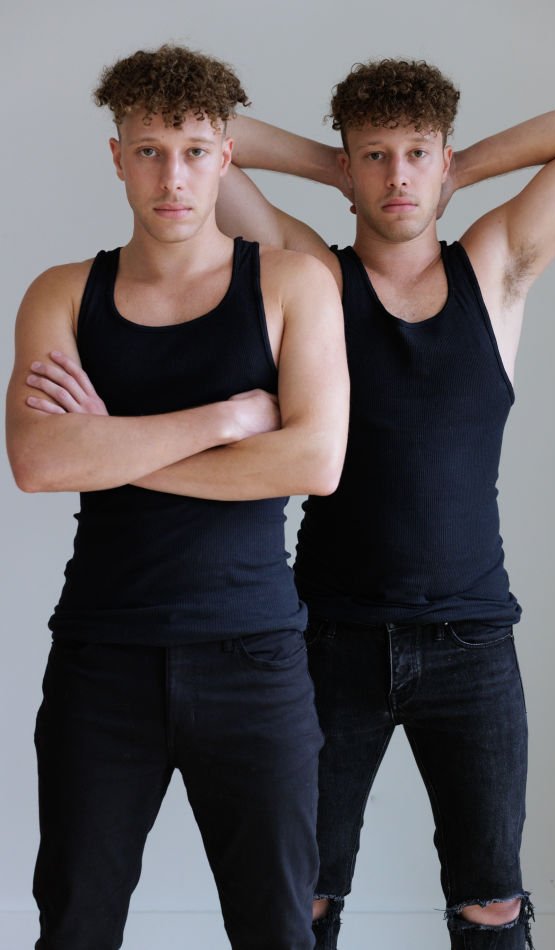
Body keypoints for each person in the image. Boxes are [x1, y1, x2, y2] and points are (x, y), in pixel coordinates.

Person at [26, 59, 555, 949]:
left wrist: (452, 171)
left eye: (416, 154)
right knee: (303, 902)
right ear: (348, 166)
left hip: (470, 639)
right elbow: (214, 136)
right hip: (327, 632)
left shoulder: (493, 271)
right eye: (374, 157)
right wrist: (336, 166)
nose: (397, 177)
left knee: (491, 901)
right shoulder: (310, 271)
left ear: (443, 159)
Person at [5, 44, 348, 950]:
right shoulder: (62, 295)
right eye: (150, 151)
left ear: (225, 156)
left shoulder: (292, 285)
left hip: (254, 657)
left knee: (277, 932)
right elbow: (38, 460)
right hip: (101, 657)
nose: (173, 176)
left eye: (195, 151)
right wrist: (225, 419)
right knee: (75, 929)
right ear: (117, 157)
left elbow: (314, 462)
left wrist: (110, 446)